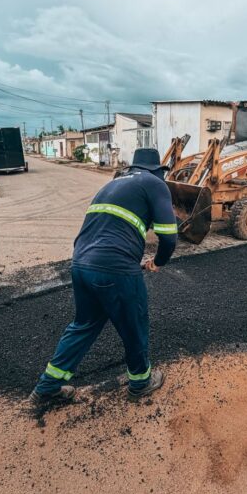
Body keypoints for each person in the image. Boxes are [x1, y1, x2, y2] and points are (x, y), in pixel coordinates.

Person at [31, 148, 178, 402]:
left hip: (80, 264)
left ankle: (47, 387)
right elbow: (169, 236)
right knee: (133, 324)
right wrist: (159, 261)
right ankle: (141, 382)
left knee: (84, 325)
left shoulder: (112, 185)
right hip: (115, 269)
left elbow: (110, 227)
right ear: (157, 171)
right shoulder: (154, 184)